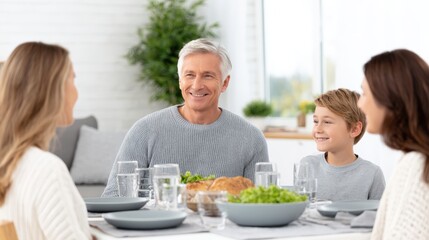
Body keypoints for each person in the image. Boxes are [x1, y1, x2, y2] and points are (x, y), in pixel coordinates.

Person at [102, 38, 269, 197]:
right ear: (180, 80)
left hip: (223, 226)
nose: (196, 85)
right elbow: (114, 197)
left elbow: (260, 203)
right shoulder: (144, 131)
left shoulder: (251, 138)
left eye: (208, 76)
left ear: (225, 83)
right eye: (190, 75)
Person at [0, 42, 91, 239]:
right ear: (53, 91)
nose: (76, 92)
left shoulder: (8, 164)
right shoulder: (46, 170)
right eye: (72, 80)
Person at [358, 49, 429, 239]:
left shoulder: (416, 163)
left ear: (390, 97)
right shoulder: (415, 158)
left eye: (364, 94)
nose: (359, 105)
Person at [298, 88, 385, 201]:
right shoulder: (308, 165)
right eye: (315, 121)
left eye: (327, 122)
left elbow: (379, 217)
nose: (318, 129)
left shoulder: (372, 174)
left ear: (354, 129)